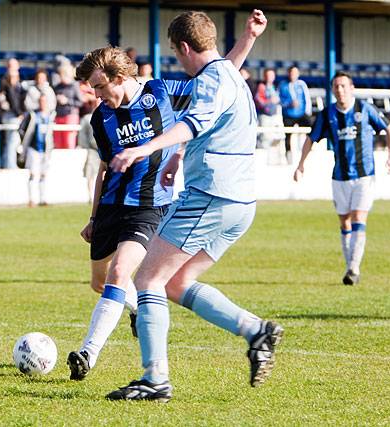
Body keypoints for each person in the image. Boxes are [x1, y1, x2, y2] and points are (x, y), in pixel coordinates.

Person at [65, 11, 270, 392]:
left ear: (184, 48)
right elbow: (221, 79)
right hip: (238, 201)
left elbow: (191, 123)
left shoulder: (173, 87)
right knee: (173, 283)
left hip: (206, 193)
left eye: (176, 52)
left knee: (145, 278)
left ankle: (153, 378)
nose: (95, 94)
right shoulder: (225, 74)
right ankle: (256, 330)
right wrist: (249, 38)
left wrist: (144, 151)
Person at [293, 71, 390, 285]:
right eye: (336, 86)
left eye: (343, 86)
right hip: (339, 176)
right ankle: (350, 265)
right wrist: (300, 164)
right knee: (345, 221)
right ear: (332, 90)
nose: (340, 90)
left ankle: (353, 268)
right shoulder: (327, 114)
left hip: (364, 175)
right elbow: (311, 139)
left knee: (359, 217)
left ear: (351, 89)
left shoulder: (365, 110)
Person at [19, 94, 55, 207]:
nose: (43, 104)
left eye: (44, 101)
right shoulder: (33, 116)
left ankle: (43, 199)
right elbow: (21, 130)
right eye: (41, 101)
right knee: (33, 173)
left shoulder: (51, 116)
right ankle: (31, 199)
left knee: (43, 174)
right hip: (33, 148)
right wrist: (24, 144)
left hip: (45, 150)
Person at [279, 65, 312, 163]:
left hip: (301, 114)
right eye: (291, 73)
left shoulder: (302, 84)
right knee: (287, 136)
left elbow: (307, 98)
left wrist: (307, 112)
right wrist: (288, 104)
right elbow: (279, 100)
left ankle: (308, 152)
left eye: (295, 73)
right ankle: (288, 157)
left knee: (311, 130)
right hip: (288, 115)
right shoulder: (283, 85)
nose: (293, 75)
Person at [0, 59, 26, 169]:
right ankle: (10, 165)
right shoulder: (6, 82)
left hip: (15, 114)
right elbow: (12, 100)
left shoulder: (19, 82)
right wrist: (19, 113)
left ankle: (5, 162)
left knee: (12, 140)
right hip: (11, 115)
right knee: (13, 141)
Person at [53, 65, 83, 149]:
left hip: (70, 116)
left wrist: (67, 101)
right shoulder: (57, 87)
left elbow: (80, 102)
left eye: (62, 74)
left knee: (69, 142)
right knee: (58, 143)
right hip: (58, 116)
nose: (60, 76)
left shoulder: (74, 86)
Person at [255, 68, 284, 153]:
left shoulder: (275, 87)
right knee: (264, 136)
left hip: (275, 115)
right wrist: (269, 101)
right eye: (267, 75)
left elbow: (280, 100)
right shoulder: (261, 87)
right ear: (264, 76)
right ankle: (263, 155)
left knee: (278, 136)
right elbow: (258, 101)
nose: (269, 77)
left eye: (271, 75)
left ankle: (274, 154)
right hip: (265, 115)